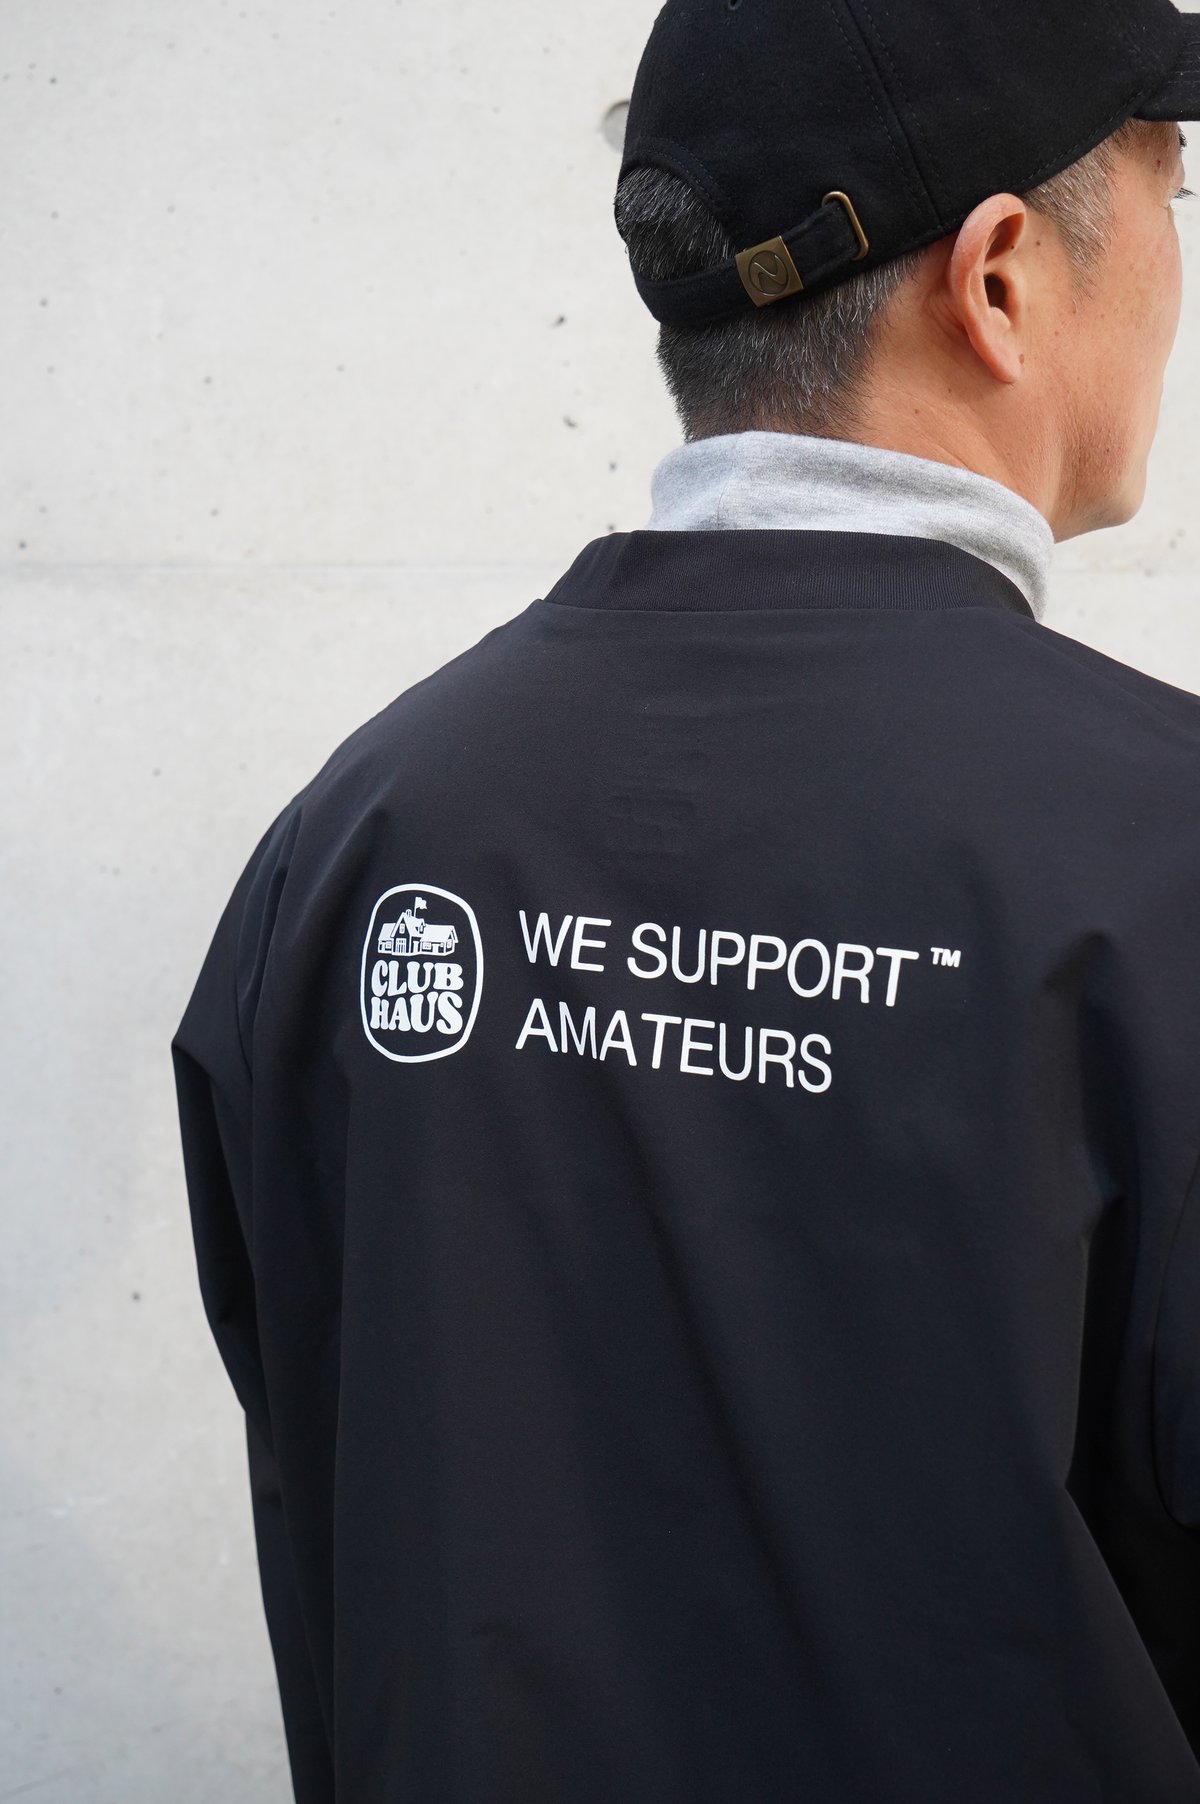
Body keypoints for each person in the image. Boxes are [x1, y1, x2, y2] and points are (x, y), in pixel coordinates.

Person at [172, 1, 1200, 1797]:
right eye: (1168, 188)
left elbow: (336, 1503)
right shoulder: (1163, 854)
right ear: (1000, 279)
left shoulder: (357, 835)